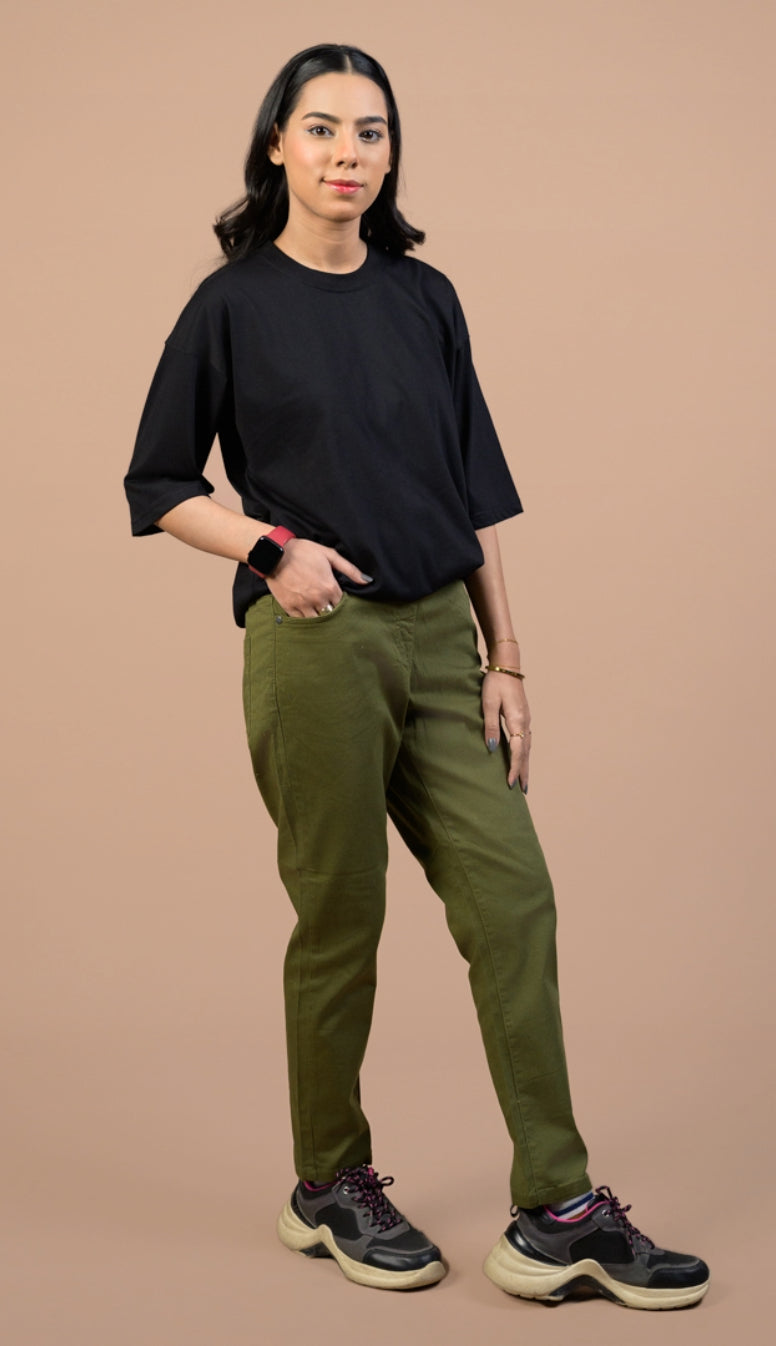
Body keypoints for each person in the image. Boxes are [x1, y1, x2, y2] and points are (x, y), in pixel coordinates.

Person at [124, 43, 709, 1310]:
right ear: (275, 143)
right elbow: (159, 483)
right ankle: (328, 1180)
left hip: (442, 640)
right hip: (318, 642)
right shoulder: (231, 306)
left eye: (371, 131)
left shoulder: (423, 296)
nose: (348, 152)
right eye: (322, 127)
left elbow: (471, 488)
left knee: (513, 898)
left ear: (391, 154)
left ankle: (556, 1211)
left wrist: (506, 657)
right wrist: (270, 549)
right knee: (342, 919)